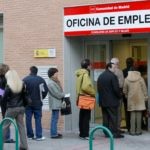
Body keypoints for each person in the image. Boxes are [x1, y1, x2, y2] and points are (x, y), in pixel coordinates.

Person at [1, 70, 28, 150]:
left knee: (4, 126)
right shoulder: (22, 84)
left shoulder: (8, 86)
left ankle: (0, 145)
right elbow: (24, 96)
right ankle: (24, 146)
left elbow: (3, 100)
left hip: (12, 108)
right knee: (21, 127)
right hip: (21, 108)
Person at [97, 62, 124, 138]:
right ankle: (114, 133)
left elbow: (99, 89)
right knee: (113, 117)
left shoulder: (101, 76)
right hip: (112, 101)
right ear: (109, 67)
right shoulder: (113, 76)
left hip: (103, 101)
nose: (115, 69)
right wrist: (120, 95)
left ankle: (106, 132)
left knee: (105, 117)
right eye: (114, 67)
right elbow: (116, 89)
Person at [23, 66, 48, 141]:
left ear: (30, 71)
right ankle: (39, 136)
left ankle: (30, 135)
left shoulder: (25, 79)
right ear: (37, 71)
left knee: (28, 119)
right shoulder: (41, 79)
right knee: (38, 119)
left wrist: (25, 100)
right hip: (38, 103)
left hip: (28, 103)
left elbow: (22, 91)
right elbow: (45, 90)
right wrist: (41, 98)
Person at [123, 67, 148, 135]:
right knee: (139, 115)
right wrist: (146, 96)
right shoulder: (140, 78)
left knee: (132, 115)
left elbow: (124, 90)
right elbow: (144, 89)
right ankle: (138, 131)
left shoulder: (126, 79)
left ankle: (132, 131)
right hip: (139, 99)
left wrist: (127, 95)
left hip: (131, 99)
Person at [75, 58, 95, 140]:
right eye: (90, 65)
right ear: (88, 66)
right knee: (86, 117)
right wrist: (93, 92)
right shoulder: (86, 74)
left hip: (81, 97)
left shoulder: (80, 74)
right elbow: (85, 86)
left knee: (82, 116)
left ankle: (82, 133)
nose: (91, 66)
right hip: (86, 97)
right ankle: (86, 134)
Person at [47, 68, 65, 139]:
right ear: (53, 74)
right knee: (54, 118)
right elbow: (57, 94)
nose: (57, 74)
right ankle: (53, 134)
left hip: (56, 102)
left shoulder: (54, 81)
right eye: (56, 73)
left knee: (55, 118)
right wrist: (64, 95)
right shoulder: (51, 83)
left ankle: (54, 132)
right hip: (55, 103)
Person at [0, 63, 15, 143]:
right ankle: (6, 138)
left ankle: (5, 137)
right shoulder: (5, 79)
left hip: (3, 102)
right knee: (7, 120)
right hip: (7, 102)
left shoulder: (2, 78)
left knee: (5, 119)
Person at [111, 58, 124, 133]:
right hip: (118, 94)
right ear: (116, 64)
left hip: (110, 95)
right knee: (118, 111)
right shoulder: (119, 71)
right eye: (118, 63)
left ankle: (111, 128)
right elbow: (121, 84)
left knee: (111, 112)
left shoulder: (108, 71)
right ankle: (117, 128)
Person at [122, 57, 134, 132]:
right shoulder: (136, 71)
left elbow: (122, 84)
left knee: (127, 111)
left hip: (126, 95)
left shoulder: (123, 71)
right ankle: (134, 126)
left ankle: (128, 126)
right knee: (134, 110)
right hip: (133, 95)